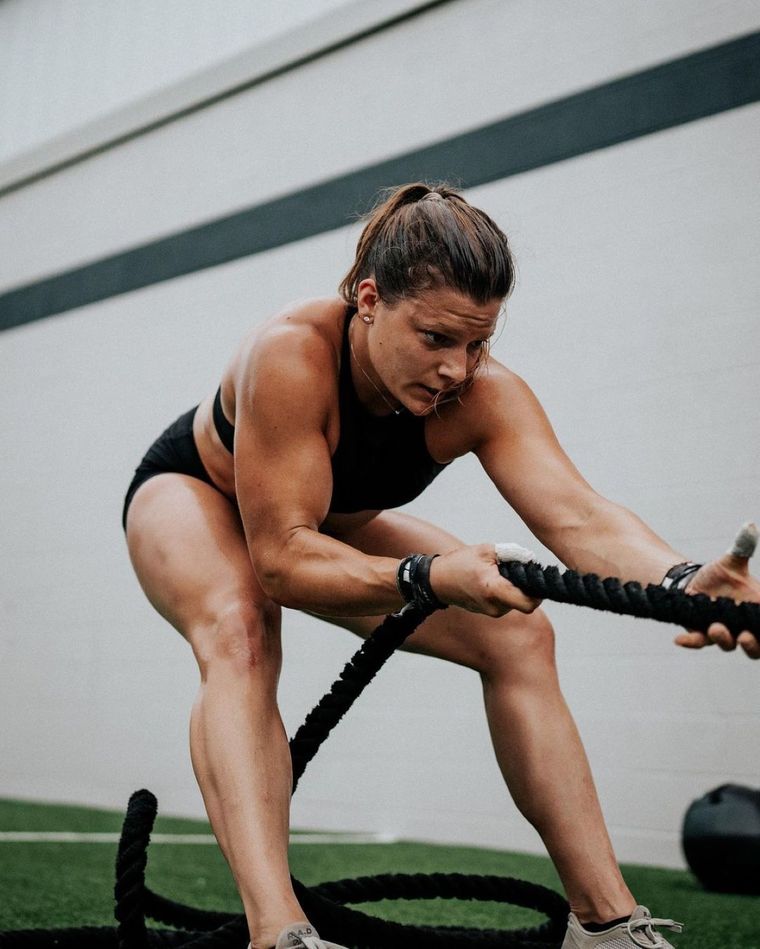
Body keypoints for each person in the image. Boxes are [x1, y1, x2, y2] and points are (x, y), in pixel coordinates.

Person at [122, 183, 759, 949]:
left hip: (330, 523)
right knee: (242, 629)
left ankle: (607, 923)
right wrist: (425, 575)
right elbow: (282, 561)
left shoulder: (483, 393)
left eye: (478, 343)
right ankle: (279, 932)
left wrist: (682, 582)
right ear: (368, 299)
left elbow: (579, 516)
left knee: (522, 636)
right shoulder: (291, 354)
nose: (458, 368)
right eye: (435, 338)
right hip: (195, 494)